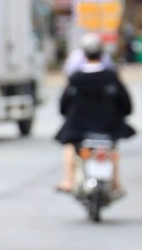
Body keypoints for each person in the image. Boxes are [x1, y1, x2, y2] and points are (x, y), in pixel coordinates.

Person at [56, 32, 135, 194]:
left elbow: (63, 105)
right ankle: (116, 183)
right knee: (112, 149)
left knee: (70, 145)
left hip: (79, 128)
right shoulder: (112, 77)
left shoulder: (76, 79)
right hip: (108, 127)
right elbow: (126, 104)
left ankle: (69, 181)